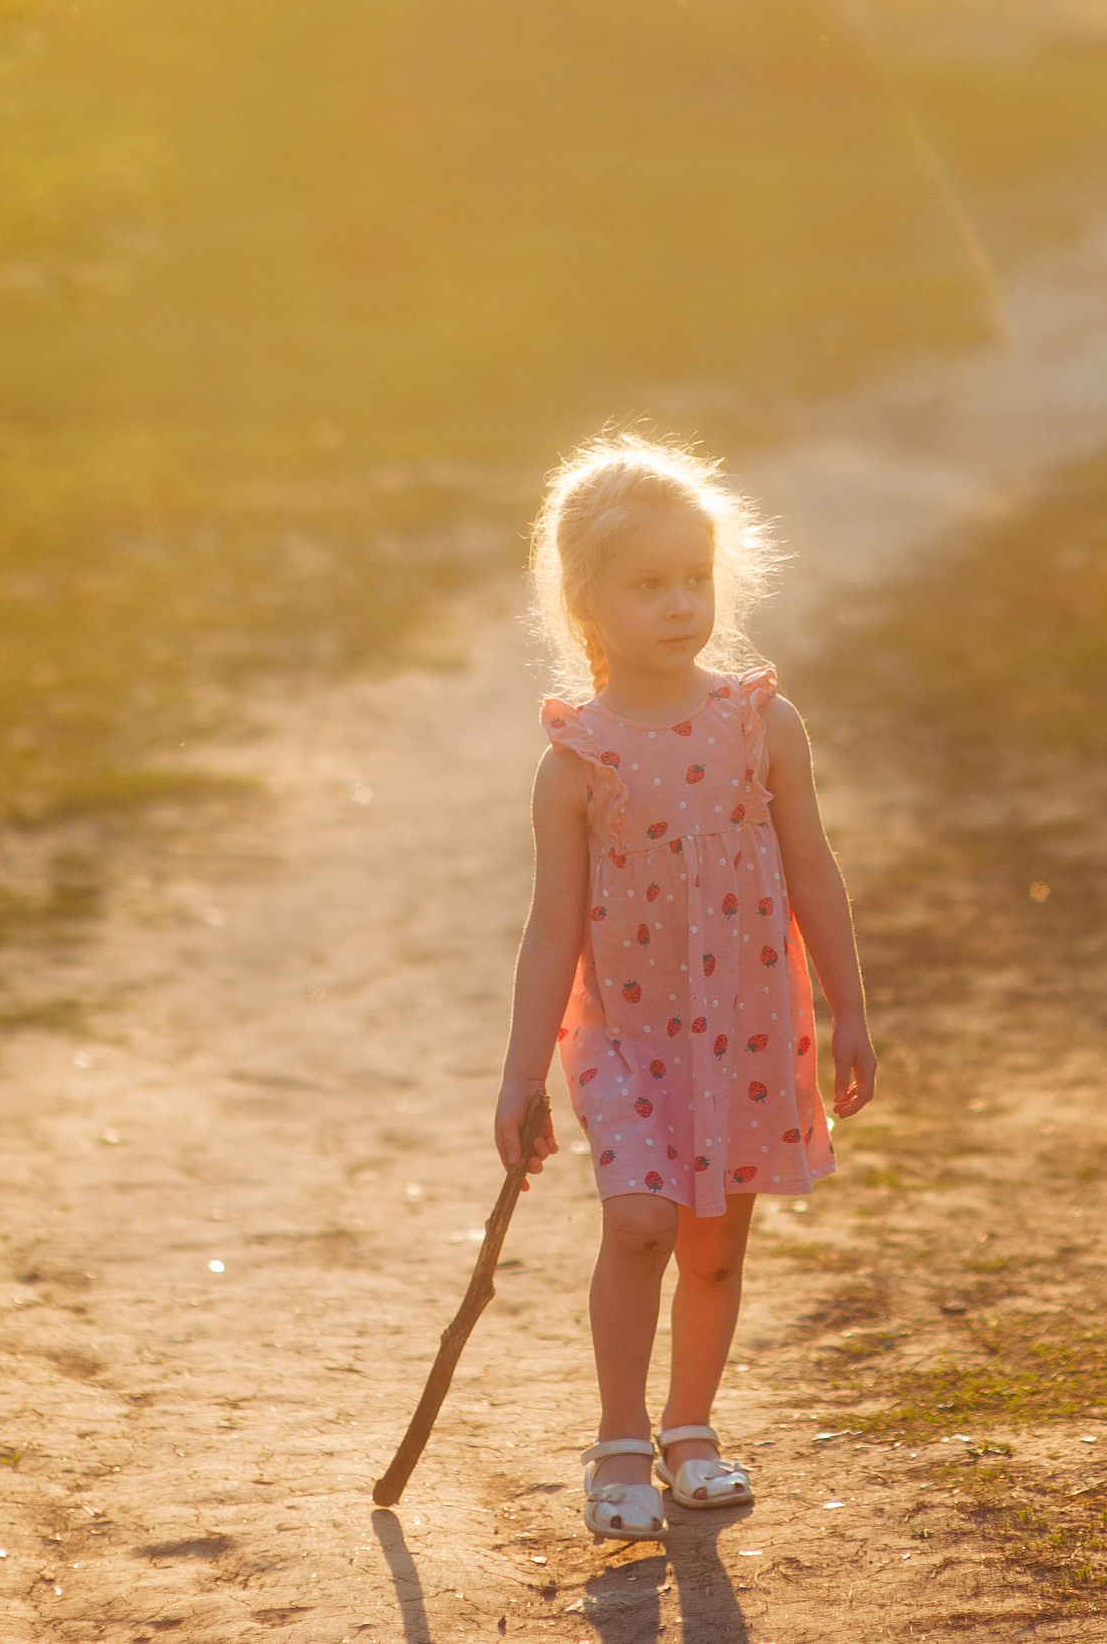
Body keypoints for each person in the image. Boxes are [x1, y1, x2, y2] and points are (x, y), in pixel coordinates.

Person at [491, 431, 877, 1542]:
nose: (678, 604)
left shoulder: (762, 724)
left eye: (694, 580)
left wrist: (848, 1008)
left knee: (717, 1241)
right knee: (644, 1224)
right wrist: (521, 1081)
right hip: (628, 1038)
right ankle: (618, 1441)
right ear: (585, 601)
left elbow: (815, 874)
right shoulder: (579, 762)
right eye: (647, 584)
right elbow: (550, 928)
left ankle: (691, 1430)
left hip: (748, 1031)